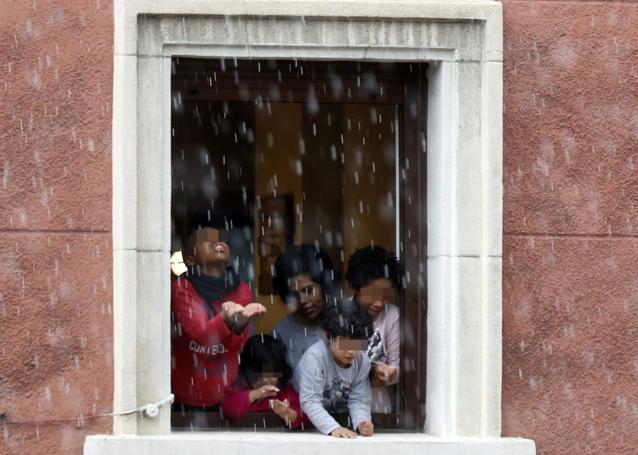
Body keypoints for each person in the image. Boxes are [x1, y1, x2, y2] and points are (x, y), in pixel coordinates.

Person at [171, 225, 267, 411]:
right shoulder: (181, 288)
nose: (218, 241)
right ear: (190, 259)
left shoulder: (241, 289)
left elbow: (234, 346)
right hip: (183, 398)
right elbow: (203, 336)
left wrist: (239, 324)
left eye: (222, 239)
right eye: (207, 239)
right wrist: (225, 318)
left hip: (226, 397)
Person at [293, 299, 374, 438]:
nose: (351, 352)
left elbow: (359, 398)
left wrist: (361, 422)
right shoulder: (315, 358)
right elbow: (309, 400)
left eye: (357, 344)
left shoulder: (362, 362)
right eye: (345, 343)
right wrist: (333, 428)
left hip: (334, 419)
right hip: (300, 419)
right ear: (328, 336)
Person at [346, 246, 401, 414]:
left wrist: (389, 375)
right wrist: (369, 370)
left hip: (380, 412)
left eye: (385, 295)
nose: (379, 303)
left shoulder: (391, 315)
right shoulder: (340, 315)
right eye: (373, 294)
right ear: (354, 287)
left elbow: (396, 367)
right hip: (344, 412)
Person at [272, 244, 335, 371]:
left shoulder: (344, 323)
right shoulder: (280, 334)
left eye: (308, 290)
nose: (302, 300)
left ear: (324, 285)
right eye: (294, 295)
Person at [221, 334, 305, 429]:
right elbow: (227, 409)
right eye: (259, 373)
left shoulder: (284, 390)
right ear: (246, 370)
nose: (266, 379)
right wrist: (255, 394)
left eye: (273, 373)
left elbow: (302, 417)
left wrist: (286, 412)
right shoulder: (238, 386)